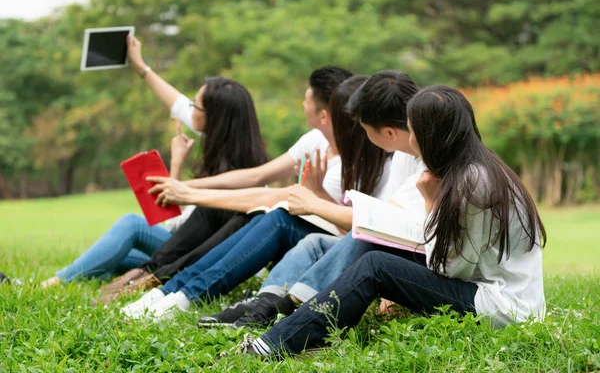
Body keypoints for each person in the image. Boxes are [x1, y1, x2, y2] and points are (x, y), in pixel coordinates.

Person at [242, 85, 547, 357]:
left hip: (502, 308)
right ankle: (313, 326)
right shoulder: (472, 166)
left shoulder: (473, 184)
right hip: (487, 288)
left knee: (376, 266)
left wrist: (431, 203)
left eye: (413, 131)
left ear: (430, 136)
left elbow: (450, 267)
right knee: (371, 244)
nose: (410, 139)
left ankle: (275, 344)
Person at [120, 75, 419, 322]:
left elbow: (371, 230)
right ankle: (174, 291)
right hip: (333, 235)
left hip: (348, 242)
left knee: (275, 219)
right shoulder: (329, 146)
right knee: (267, 216)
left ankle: (179, 293)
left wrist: (315, 198)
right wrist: (189, 189)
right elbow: (258, 178)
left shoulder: (387, 161)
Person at [94, 65, 354, 302]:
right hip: (188, 244)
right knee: (130, 236)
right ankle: (151, 276)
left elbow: (277, 198)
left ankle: (163, 283)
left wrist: (187, 191)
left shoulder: (344, 163)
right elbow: (257, 176)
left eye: (306, 99)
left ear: (322, 114)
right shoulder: (316, 141)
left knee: (256, 216)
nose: (301, 103)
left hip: (306, 242)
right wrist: (189, 187)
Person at [41, 35, 269, 289]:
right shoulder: (226, 139)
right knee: (114, 255)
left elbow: (177, 228)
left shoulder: (240, 180)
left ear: (214, 119)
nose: (189, 109)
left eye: (196, 106)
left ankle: (53, 283)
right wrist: (141, 67)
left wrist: (176, 167)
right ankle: (64, 279)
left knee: (132, 225)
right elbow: (177, 102)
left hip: (197, 258)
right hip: (180, 248)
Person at [203, 70, 425, 328]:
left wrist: (313, 202)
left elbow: (382, 225)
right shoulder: (402, 155)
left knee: (315, 228)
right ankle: (265, 303)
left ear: (387, 133)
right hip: (389, 249)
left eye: (363, 129)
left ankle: (288, 310)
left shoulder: (427, 165)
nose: (359, 136)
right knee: (313, 243)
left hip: (416, 262)